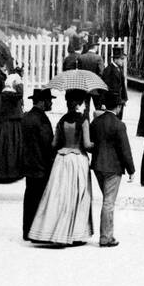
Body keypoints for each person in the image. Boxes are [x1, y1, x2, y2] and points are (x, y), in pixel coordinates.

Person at [28, 92, 94, 246]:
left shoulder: (62, 119)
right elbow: (86, 144)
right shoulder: (83, 120)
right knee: (78, 196)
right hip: (77, 160)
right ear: (79, 103)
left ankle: (53, 231)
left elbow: (53, 144)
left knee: (58, 196)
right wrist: (96, 144)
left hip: (62, 160)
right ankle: (74, 234)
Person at [90, 91, 134, 248]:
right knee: (109, 202)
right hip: (113, 168)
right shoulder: (119, 125)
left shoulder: (95, 122)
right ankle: (106, 237)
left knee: (107, 199)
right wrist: (131, 169)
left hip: (97, 167)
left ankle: (107, 234)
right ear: (118, 107)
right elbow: (125, 150)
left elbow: (90, 143)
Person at [21, 87, 56, 240]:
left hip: (29, 163)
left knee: (30, 198)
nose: (51, 104)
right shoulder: (41, 120)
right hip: (41, 165)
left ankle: (27, 230)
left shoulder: (27, 117)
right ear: (42, 102)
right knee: (39, 199)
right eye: (49, 101)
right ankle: (35, 231)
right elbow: (47, 143)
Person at [0, 70, 25, 183]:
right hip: (13, 123)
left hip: (3, 124)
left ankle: (0, 172)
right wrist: (20, 83)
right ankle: (11, 172)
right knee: (12, 147)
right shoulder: (15, 95)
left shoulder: (4, 93)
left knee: (1, 148)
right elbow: (20, 94)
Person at [101, 49, 128, 120]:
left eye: (123, 59)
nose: (123, 61)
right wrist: (103, 102)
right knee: (112, 120)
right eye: (121, 59)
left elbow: (122, 85)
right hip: (112, 101)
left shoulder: (119, 69)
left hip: (119, 100)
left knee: (119, 119)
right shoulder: (108, 70)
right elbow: (104, 87)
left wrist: (124, 98)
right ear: (115, 59)